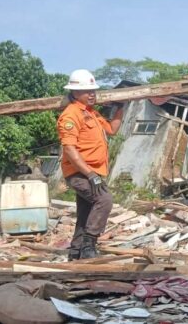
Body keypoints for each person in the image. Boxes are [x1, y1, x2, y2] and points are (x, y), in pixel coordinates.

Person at [58, 69, 124, 260]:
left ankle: (75, 251)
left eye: (93, 90)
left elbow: (112, 129)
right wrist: (90, 174)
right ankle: (88, 247)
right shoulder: (70, 115)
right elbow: (69, 149)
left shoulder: (91, 113)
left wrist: (120, 108)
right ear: (75, 92)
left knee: (86, 211)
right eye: (87, 91)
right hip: (80, 172)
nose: (92, 94)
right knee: (104, 200)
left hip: (92, 172)